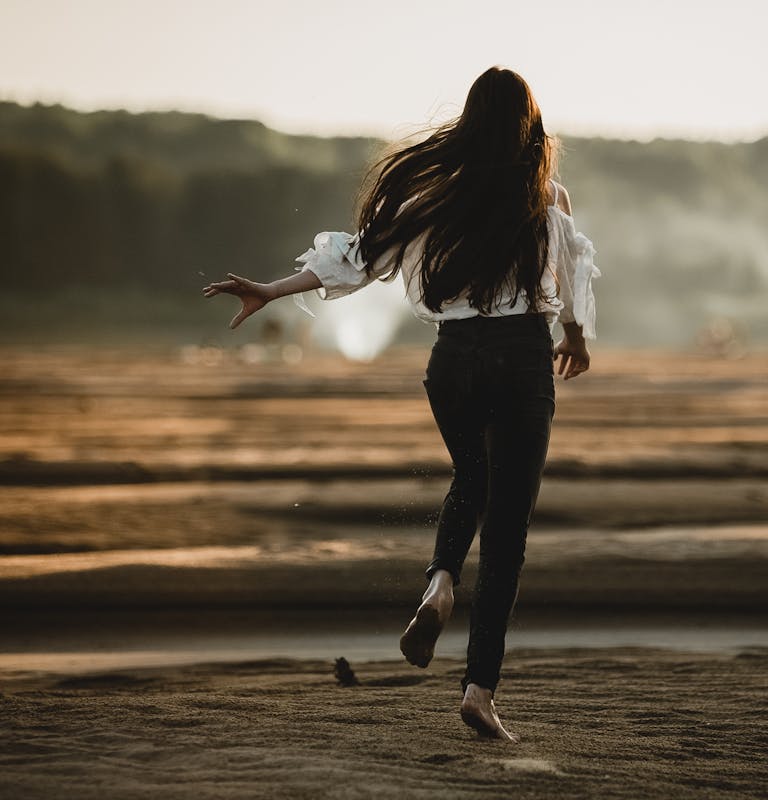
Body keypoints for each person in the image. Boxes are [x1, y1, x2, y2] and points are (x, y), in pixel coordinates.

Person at [202, 67, 600, 742]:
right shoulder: (544, 195)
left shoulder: (435, 196)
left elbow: (359, 257)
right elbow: (572, 268)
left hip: (453, 361)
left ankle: (440, 583)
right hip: (520, 357)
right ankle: (479, 690)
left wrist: (271, 288)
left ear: (469, 123)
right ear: (530, 126)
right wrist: (576, 337)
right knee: (506, 530)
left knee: (470, 477)